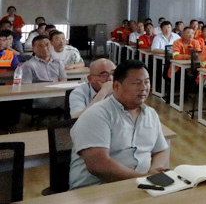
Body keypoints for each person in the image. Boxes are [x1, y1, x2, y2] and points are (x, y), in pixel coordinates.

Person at [68, 60, 169, 190]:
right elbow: (98, 165)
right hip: (97, 190)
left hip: (140, 187)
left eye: (146, 82)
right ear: (116, 86)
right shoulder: (97, 115)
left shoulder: (150, 114)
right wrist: (142, 179)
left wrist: (153, 175)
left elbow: (160, 150)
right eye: (137, 83)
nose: (144, 88)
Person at [22, 36, 67, 108]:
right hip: (40, 97)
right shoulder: (28, 65)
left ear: (51, 46)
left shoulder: (59, 62)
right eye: (40, 46)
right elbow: (26, 87)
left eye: (47, 45)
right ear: (33, 49)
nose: (45, 48)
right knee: (70, 100)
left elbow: (63, 81)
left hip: (57, 94)